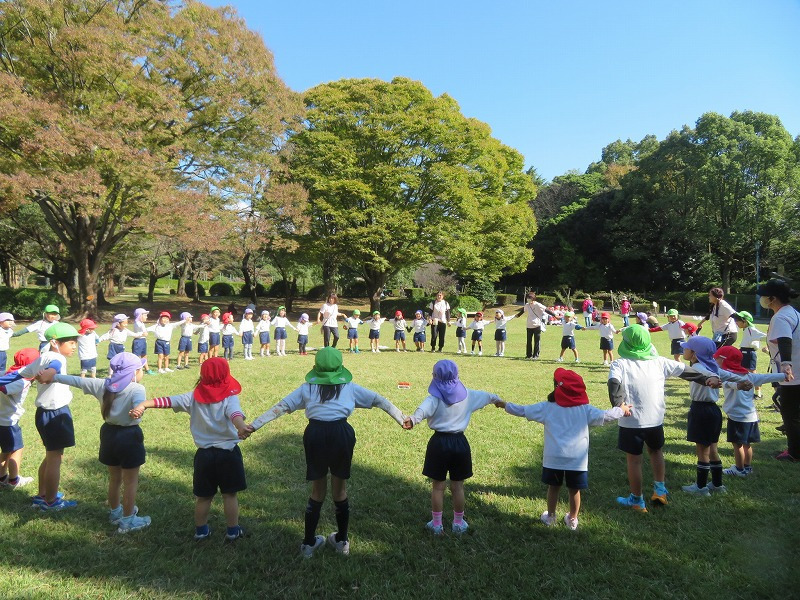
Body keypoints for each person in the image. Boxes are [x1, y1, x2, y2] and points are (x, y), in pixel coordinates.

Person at [245, 347, 405, 556]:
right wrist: (403, 418)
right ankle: (341, 541)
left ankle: (308, 544)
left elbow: (280, 407)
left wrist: (254, 425)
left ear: (316, 368)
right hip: (342, 435)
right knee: (340, 490)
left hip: (315, 435)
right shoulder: (350, 388)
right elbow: (379, 400)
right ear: (340, 367)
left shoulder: (306, 389)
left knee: (317, 491)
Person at [129, 358, 249, 542]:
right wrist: (241, 427)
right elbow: (235, 414)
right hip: (228, 455)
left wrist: (144, 404)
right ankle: (233, 531)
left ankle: (201, 531)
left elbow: (167, 401)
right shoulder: (230, 397)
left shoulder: (192, 397)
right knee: (229, 495)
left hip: (204, 456)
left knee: (204, 497)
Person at [495, 368, 629, 530]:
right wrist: (621, 410)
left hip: (553, 459)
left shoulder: (547, 408)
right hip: (577, 461)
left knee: (553, 488)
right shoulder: (585, 409)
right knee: (574, 491)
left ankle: (550, 516)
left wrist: (505, 405)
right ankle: (572, 519)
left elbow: (523, 410)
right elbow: (606, 416)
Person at [608, 325, 721, 512]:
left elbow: (614, 383)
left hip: (631, 421)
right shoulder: (660, 362)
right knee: (656, 452)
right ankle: (660, 491)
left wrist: (619, 404)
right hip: (655, 420)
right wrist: (707, 379)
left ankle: (637, 500)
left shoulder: (620, 364)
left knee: (634, 460)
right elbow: (687, 371)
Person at [41, 352, 152, 532]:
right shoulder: (137, 388)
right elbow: (140, 403)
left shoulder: (102, 384)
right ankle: (128, 520)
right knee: (131, 481)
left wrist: (53, 376)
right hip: (129, 436)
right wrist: (138, 410)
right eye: (140, 369)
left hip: (108, 435)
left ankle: (115, 512)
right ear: (134, 373)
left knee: (114, 478)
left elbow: (76, 381)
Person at [403, 360, 500, 535]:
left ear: (434, 377)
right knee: (458, 486)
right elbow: (488, 396)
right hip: (460, 444)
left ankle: (437, 524)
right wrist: (498, 401)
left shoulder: (433, 398)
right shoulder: (469, 395)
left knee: (438, 487)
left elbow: (420, 412)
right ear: (457, 377)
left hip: (438, 444)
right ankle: (458, 523)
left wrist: (412, 420)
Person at [12, 323, 81, 510]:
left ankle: (43, 495)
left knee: (50, 457)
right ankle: (51, 502)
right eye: (69, 342)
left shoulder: (41, 358)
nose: (74, 346)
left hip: (44, 414)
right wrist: (50, 373)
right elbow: (55, 366)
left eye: (75, 342)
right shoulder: (56, 357)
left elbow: (17, 374)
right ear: (54, 342)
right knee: (55, 459)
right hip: (56, 414)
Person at [679, 336, 750, 497]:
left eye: (687, 348)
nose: (684, 350)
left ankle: (701, 487)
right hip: (713, 412)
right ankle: (717, 484)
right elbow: (729, 375)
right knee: (712, 449)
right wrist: (742, 381)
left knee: (702, 451)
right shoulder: (712, 366)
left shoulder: (698, 367)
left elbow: (710, 375)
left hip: (700, 410)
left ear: (695, 354)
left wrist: (713, 379)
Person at [713, 346, 786, 477]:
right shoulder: (750, 375)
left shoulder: (728, 377)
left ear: (724, 360)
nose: (715, 361)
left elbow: (732, 384)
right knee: (747, 444)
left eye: (717, 359)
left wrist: (738, 385)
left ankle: (739, 469)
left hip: (737, 417)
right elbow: (766, 377)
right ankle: (747, 467)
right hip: (751, 416)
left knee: (738, 445)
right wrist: (784, 375)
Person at [757, 278, 800, 461]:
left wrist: (786, 364)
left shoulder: (781, 316)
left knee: (790, 415)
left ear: (773, 298)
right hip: (796, 372)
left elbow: (784, 340)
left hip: (793, 375)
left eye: (765, 296)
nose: (763, 299)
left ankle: (794, 453)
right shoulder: (793, 312)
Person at [0, 348, 40, 490]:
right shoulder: (23, 381)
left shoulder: (7, 373)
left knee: (6, 450)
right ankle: (13, 480)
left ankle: (2, 477)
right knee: (17, 449)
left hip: (2, 420)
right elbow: (4, 388)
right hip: (8, 422)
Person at [734, 311, 767, 397]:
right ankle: (744, 391)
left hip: (749, 353)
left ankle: (758, 393)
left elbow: (764, 337)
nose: (736, 322)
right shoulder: (746, 329)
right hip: (744, 352)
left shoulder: (751, 329)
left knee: (752, 373)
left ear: (745, 321)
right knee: (743, 373)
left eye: (738, 320)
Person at [518, 292, 556, 360]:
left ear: (533, 298)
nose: (528, 299)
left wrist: (555, 315)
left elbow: (546, 310)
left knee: (537, 341)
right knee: (528, 341)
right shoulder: (527, 305)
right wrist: (517, 315)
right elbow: (522, 311)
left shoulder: (538, 305)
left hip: (537, 325)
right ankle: (528, 355)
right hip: (529, 325)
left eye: (529, 298)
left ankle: (535, 355)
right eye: (528, 298)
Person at [131, 308, 154, 375]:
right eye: (145, 315)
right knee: (136, 356)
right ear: (140, 316)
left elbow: (145, 330)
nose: (146, 317)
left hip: (143, 340)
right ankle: (135, 370)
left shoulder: (141, 323)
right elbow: (142, 330)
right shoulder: (137, 323)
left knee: (144, 355)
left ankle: (147, 369)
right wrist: (143, 333)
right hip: (138, 341)